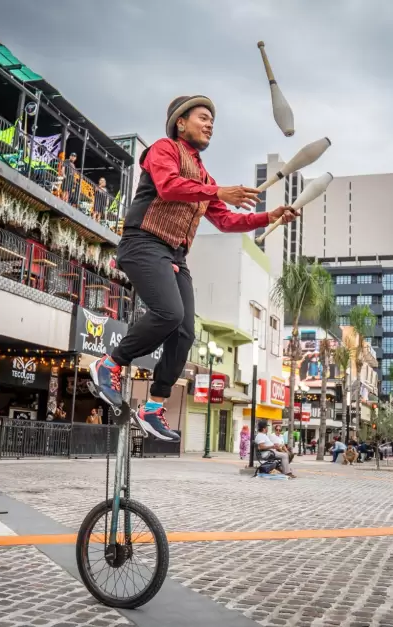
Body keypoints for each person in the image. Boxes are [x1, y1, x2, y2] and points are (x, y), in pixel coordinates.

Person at [88, 96, 299, 442]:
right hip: (144, 242)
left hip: (175, 254)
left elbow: (227, 220)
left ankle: (153, 407)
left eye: (212, 120)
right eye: (203, 117)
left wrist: (269, 217)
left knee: (185, 331)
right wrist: (219, 191)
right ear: (180, 122)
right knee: (169, 313)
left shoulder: (203, 176)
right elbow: (169, 186)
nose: (210, 124)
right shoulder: (163, 149)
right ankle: (109, 363)